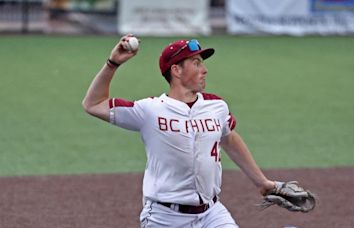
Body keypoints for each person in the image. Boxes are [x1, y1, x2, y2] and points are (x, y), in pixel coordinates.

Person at [82, 34, 277, 227]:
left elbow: (229, 139)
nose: (205, 70)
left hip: (212, 213)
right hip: (163, 217)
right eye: (196, 63)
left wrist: (262, 182)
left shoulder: (216, 106)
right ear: (176, 70)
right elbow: (93, 104)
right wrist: (112, 64)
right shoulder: (150, 110)